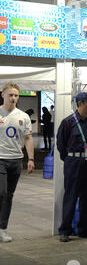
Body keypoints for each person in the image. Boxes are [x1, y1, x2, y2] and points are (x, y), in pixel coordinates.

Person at [56, 92, 87, 242]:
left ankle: (84, 229)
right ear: (80, 103)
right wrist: (69, 159)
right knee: (71, 196)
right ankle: (65, 230)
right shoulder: (68, 122)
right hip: (73, 162)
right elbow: (60, 145)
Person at [0, 83, 34, 242]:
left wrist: (31, 159)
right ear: (3, 95)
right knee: (2, 193)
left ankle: (3, 229)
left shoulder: (23, 116)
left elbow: (28, 138)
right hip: (0, 159)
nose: (13, 98)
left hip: (16, 160)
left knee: (9, 196)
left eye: (16, 95)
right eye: (10, 95)